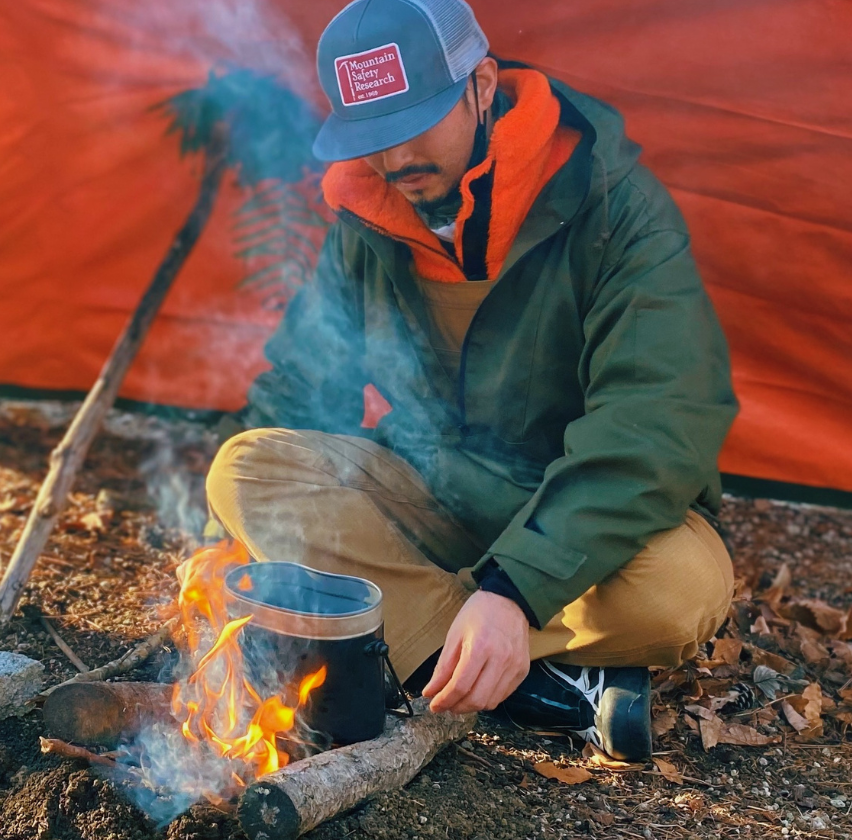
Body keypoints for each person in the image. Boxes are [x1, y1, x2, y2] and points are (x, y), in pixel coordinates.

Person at [206, 0, 738, 761]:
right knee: (244, 470)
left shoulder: (617, 210)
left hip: (571, 507)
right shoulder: (368, 213)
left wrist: (512, 592)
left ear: (482, 86)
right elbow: (303, 379)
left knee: (684, 588)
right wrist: (222, 544)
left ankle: (427, 641)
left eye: (418, 121)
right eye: (373, 135)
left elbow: (656, 422)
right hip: (430, 490)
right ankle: (541, 680)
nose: (397, 156)